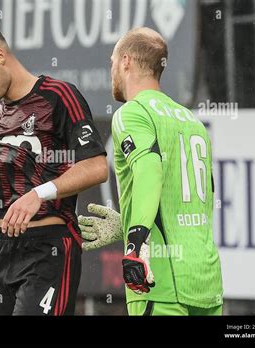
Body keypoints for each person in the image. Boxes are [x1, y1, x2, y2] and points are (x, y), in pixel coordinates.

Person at [0, 23, 108, 315]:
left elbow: (97, 166)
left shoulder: (60, 96)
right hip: (2, 252)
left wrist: (40, 193)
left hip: (48, 251)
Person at [79, 27, 223, 316]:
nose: (112, 72)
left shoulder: (132, 113)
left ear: (126, 61)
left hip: (160, 283)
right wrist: (129, 220)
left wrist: (135, 241)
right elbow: (200, 200)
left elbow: (149, 171)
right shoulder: (191, 121)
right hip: (206, 282)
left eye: (112, 62)